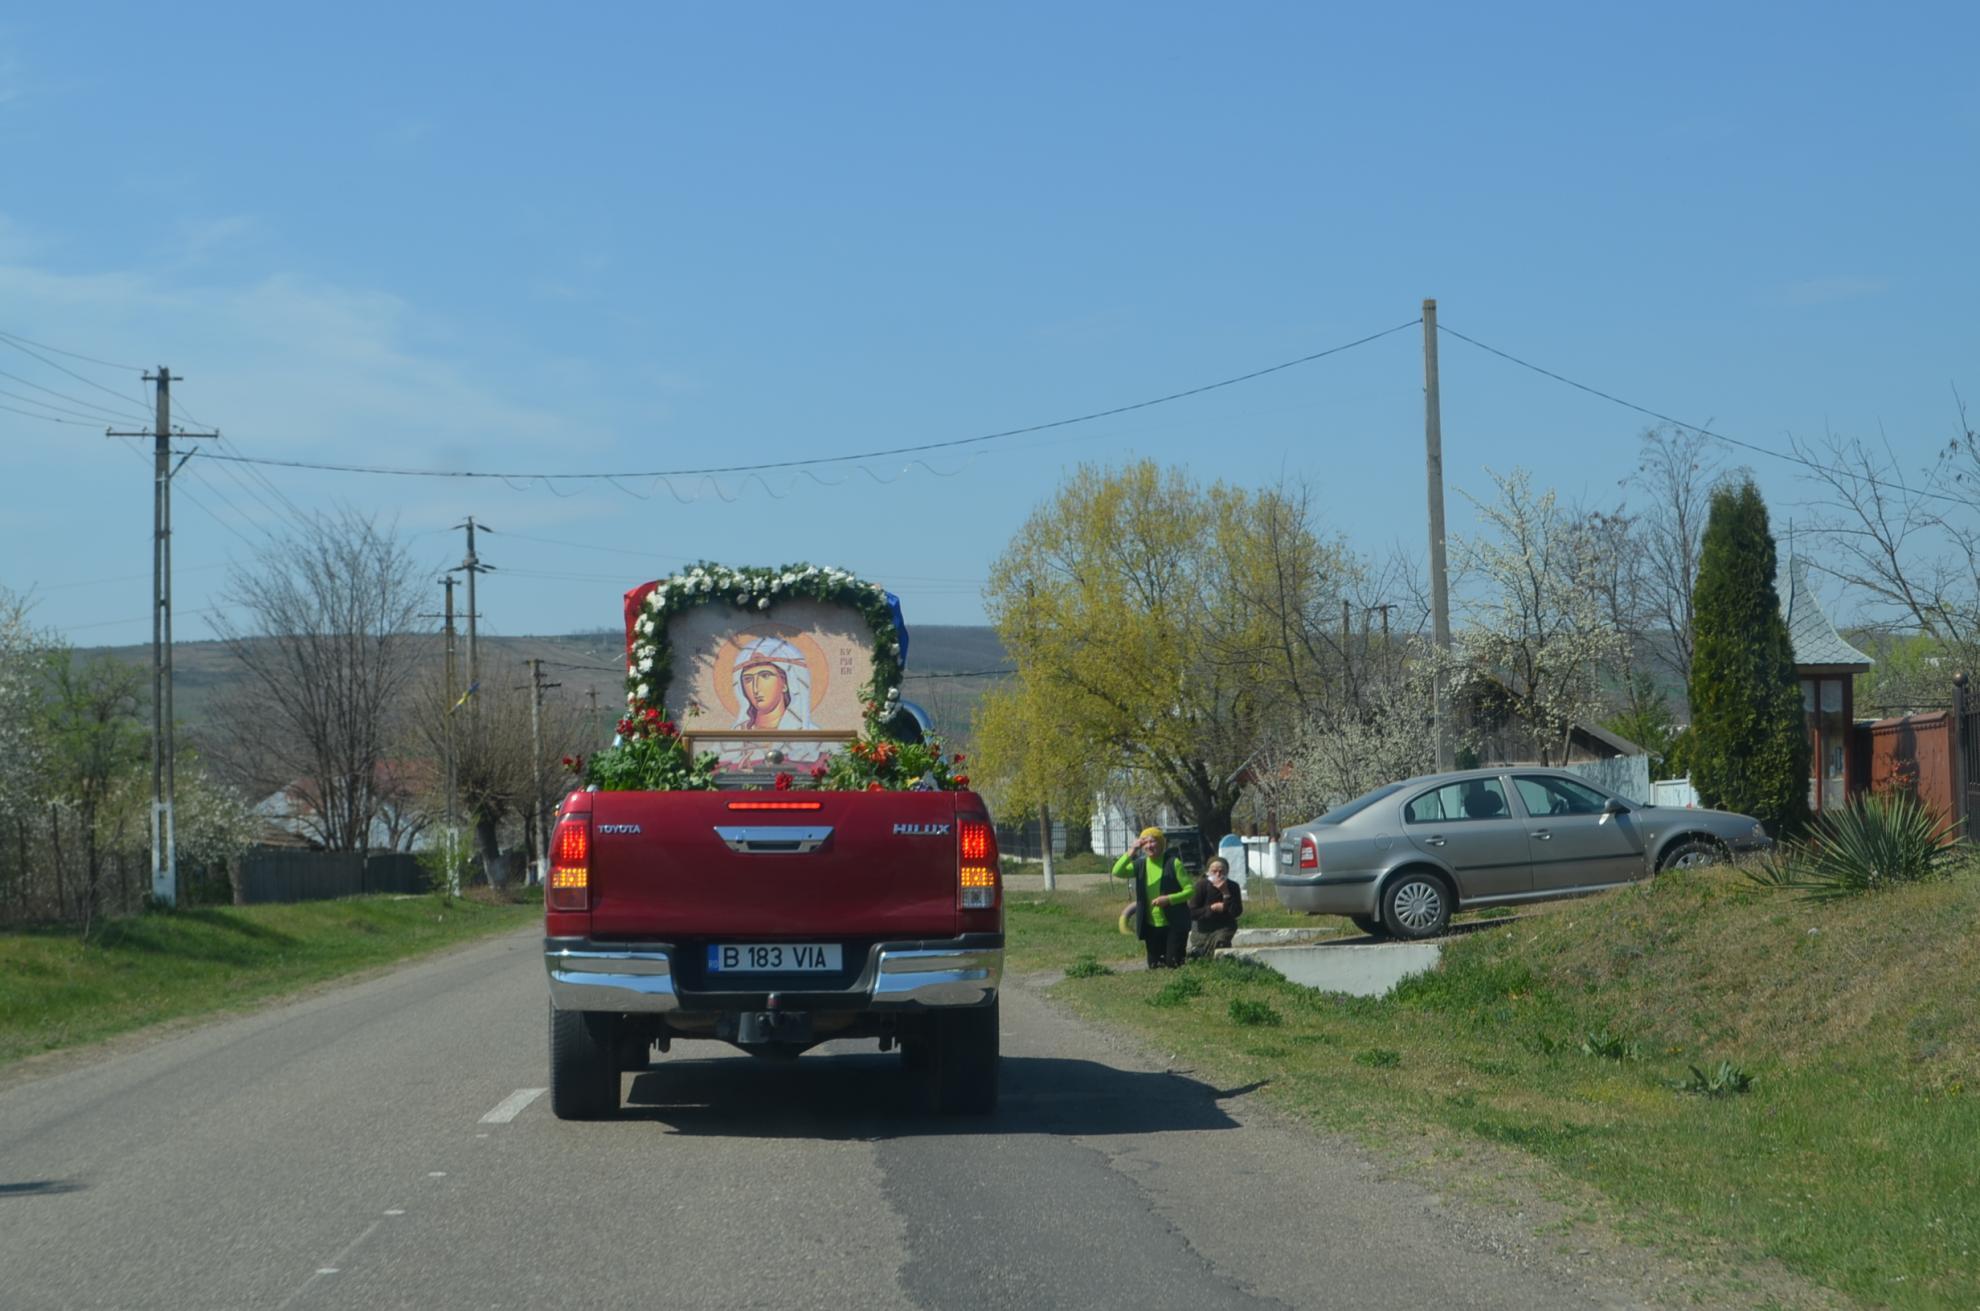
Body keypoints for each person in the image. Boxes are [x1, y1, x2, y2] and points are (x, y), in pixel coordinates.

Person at [1112, 827, 1192, 969]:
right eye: (1145, 843)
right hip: (1151, 925)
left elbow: (1190, 891)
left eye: (1153, 841)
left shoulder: (1173, 863)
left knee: (1174, 963)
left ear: (1161, 843)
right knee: (1155, 966)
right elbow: (1117, 871)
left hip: (1174, 923)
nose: (1149, 846)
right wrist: (1132, 850)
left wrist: (1169, 899)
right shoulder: (1140, 864)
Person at [1187, 856, 1244, 959]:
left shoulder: (1233, 886)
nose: (1218, 875)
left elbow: (1237, 911)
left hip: (1224, 926)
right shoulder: (1201, 886)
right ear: (1208, 872)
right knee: (1200, 954)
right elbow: (1192, 912)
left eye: (1222, 872)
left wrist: (1225, 893)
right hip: (1203, 928)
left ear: (1227, 872)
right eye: (1214, 871)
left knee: (1221, 946)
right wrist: (1211, 909)